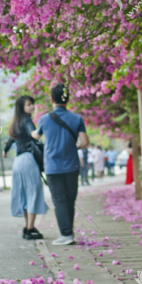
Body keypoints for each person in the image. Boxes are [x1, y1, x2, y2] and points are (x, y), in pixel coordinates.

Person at [37, 83, 89, 246]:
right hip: (72, 166)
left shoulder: (44, 119)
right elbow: (85, 142)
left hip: (53, 167)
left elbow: (36, 136)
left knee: (59, 201)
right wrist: (75, 146)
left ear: (51, 99)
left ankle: (66, 234)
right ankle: (69, 233)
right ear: (68, 100)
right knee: (69, 200)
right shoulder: (77, 118)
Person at [3, 95, 47, 240]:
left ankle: (28, 226)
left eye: (32, 104)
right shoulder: (27, 120)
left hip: (18, 161)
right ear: (22, 107)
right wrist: (39, 132)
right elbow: (33, 133)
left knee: (25, 194)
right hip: (29, 160)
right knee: (33, 193)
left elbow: (10, 139)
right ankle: (29, 229)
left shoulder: (16, 122)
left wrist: (5, 150)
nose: (32, 107)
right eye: (29, 105)